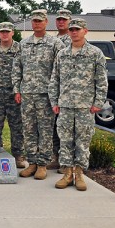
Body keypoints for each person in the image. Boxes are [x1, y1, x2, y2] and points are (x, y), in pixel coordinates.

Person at [49, 18, 108, 191]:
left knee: (82, 141)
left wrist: (98, 103)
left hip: (85, 106)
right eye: (71, 30)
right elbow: (55, 79)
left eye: (77, 29)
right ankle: (67, 174)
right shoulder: (62, 54)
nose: (74, 32)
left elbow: (101, 80)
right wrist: (54, 101)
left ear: (85, 31)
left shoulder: (95, 53)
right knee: (65, 140)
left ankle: (80, 174)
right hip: (65, 105)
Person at [12, 9, 65, 180]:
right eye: (34, 21)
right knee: (28, 130)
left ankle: (43, 164)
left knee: (45, 130)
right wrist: (17, 90)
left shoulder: (55, 44)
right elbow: (17, 68)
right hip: (27, 94)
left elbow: (61, 71)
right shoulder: (24, 44)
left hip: (46, 95)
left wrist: (57, 94)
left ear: (46, 22)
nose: (36, 24)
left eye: (39, 21)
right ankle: (32, 162)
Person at [0, 22, 25, 168]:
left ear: (12, 33)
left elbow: (24, 69)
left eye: (7, 31)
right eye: (2, 32)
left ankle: (18, 156)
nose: (4, 34)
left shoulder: (20, 48)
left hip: (14, 93)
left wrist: (20, 90)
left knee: (16, 126)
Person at [48, 9, 72, 172]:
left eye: (64, 20)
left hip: (69, 91)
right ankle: (56, 157)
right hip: (54, 88)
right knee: (54, 128)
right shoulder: (53, 40)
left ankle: (67, 163)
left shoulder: (74, 38)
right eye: (59, 20)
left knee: (67, 130)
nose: (61, 22)